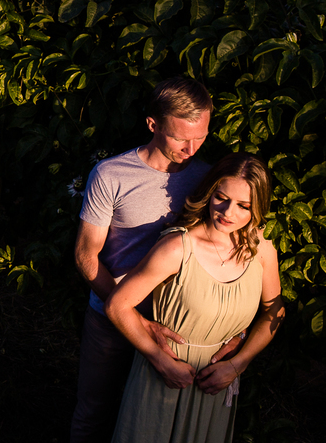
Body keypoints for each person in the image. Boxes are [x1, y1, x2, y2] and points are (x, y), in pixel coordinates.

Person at [71, 76, 230, 443]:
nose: (191, 148)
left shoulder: (207, 178)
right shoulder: (111, 175)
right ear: (153, 125)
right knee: (94, 412)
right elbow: (85, 255)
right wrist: (134, 318)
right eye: (179, 138)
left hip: (177, 326)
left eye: (201, 137)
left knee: (155, 423)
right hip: (111, 319)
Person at [106, 153, 284, 442]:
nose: (228, 212)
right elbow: (117, 305)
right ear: (209, 192)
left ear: (258, 207)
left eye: (243, 206)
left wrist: (238, 364)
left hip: (217, 382)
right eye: (221, 198)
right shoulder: (177, 247)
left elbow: (274, 312)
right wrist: (159, 360)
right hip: (165, 375)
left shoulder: (262, 249)